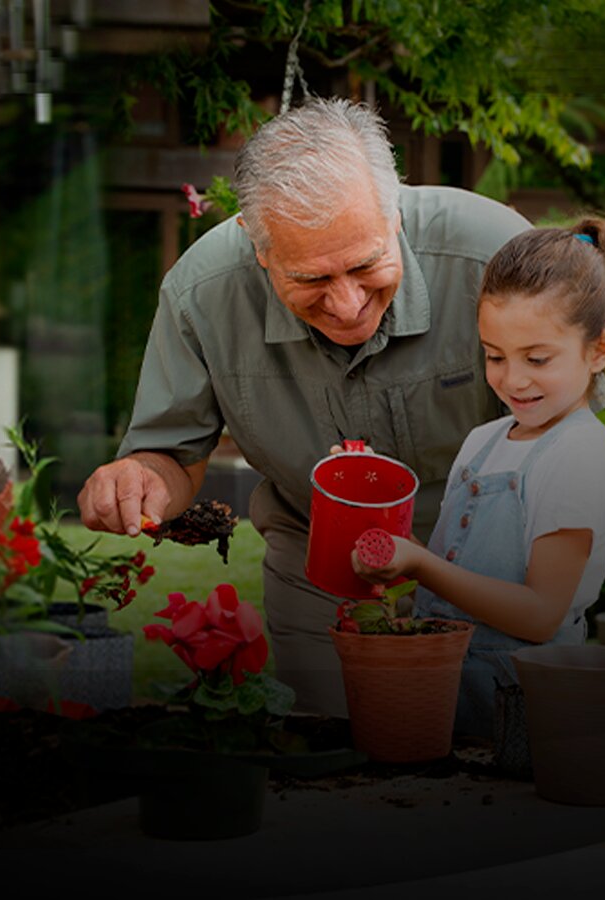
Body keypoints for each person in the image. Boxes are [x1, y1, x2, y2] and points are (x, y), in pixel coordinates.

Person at [77, 96, 568, 716]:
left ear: (395, 217)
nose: (346, 305)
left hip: (489, 574)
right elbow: (172, 456)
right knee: (330, 776)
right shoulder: (200, 295)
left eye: (365, 267)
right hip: (319, 581)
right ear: (258, 249)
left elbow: (567, 438)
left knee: (496, 775)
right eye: (310, 280)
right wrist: (138, 479)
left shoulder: (495, 257)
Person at [351, 218, 605, 739]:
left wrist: (422, 565)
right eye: (494, 356)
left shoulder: (579, 455)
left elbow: (540, 615)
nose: (513, 380)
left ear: (599, 350)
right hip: (447, 699)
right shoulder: (483, 441)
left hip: (520, 716)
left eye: (537, 358)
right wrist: (391, 545)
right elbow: (447, 578)